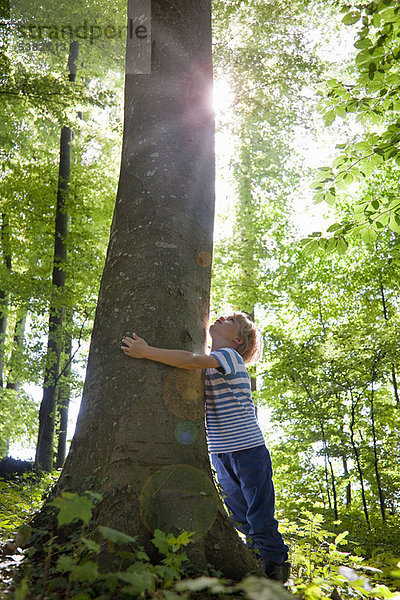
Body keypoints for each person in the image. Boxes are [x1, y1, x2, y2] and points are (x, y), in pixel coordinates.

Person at [121, 311, 290, 583]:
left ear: (237, 339)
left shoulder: (229, 358)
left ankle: (275, 568)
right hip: (220, 453)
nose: (221, 317)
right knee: (239, 514)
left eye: (230, 320)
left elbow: (189, 361)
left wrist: (147, 351)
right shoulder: (213, 363)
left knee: (258, 513)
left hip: (248, 449)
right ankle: (255, 559)